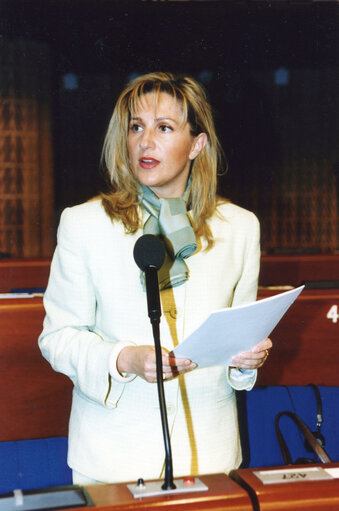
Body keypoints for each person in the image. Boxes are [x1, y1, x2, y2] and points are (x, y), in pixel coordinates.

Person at [38, 71, 272, 486]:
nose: (145, 142)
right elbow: (58, 338)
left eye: (164, 128)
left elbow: (240, 345)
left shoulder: (240, 228)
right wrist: (124, 358)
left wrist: (248, 359)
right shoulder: (84, 225)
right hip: (112, 459)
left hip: (211, 456)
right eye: (136, 127)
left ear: (197, 144)